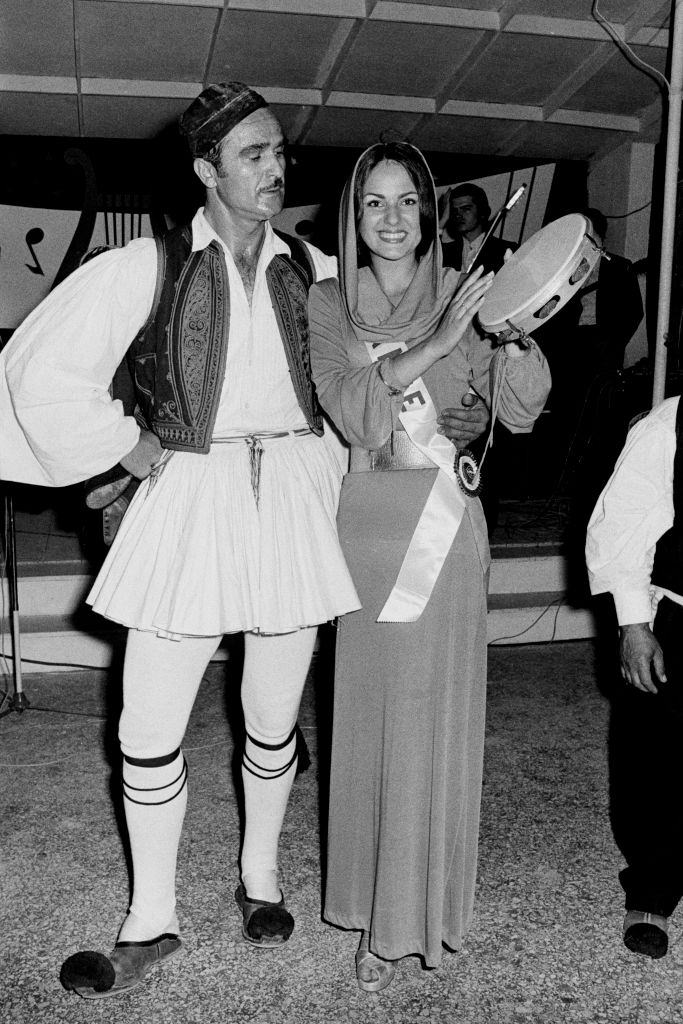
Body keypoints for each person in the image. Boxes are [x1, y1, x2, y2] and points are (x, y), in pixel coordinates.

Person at [0, 82, 361, 998]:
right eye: (253, 153)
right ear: (206, 169)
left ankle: (261, 878)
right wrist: (129, 443)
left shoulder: (315, 270)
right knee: (149, 723)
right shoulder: (146, 264)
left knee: (275, 714)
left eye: (280, 151)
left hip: (288, 497)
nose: (276, 167)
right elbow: (38, 370)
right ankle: (151, 915)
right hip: (187, 498)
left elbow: (361, 384)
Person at [308, 142, 551, 991]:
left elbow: (517, 415)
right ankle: (377, 923)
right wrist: (435, 341)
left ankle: (431, 912)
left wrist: (513, 337)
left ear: (429, 210)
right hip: (370, 534)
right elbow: (351, 410)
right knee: (374, 730)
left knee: (434, 726)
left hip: (448, 536)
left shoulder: (464, 292)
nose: (390, 219)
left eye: (406, 200)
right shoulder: (329, 300)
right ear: (352, 215)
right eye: (372, 203)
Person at [586, 395, 683, 960]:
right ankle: (652, 887)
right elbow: (621, 521)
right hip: (678, 620)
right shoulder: (670, 424)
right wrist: (633, 624)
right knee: (656, 757)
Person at [441, 182, 515, 275]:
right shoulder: (443, 253)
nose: (458, 215)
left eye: (466, 208)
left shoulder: (506, 250)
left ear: (482, 212)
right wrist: (443, 220)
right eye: (454, 210)